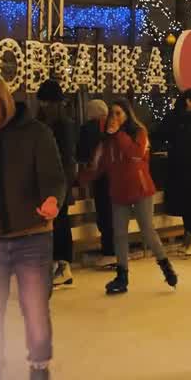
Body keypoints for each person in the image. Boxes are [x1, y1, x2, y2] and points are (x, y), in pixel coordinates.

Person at [0, 74, 67, 380]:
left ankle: (39, 371)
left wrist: (51, 199)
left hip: (31, 238)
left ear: (4, 100)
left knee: (35, 313)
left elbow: (55, 177)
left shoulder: (35, 133)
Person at [82, 99, 178, 295]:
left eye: (119, 113)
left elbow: (135, 155)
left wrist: (118, 134)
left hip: (140, 189)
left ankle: (165, 265)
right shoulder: (106, 141)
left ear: (127, 114)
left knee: (147, 230)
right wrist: (79, 178)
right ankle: (122, 275)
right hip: (119, 192)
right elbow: (98, 166)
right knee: (119, 234)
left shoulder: (138, 134)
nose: (115, 117)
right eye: (112, 113)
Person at [153, 89, 191, 257]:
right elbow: (159, 134)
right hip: (180, 168)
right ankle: (189, 237)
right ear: (189, 101)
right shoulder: (175, 118)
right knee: (186, 203)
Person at [35, 80, 78, 289]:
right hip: (50, 184)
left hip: (58, 185)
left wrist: (63, 186)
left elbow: (67, 159)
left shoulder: (62, 126)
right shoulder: (47, 124)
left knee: (59, 225)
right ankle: (57, 265)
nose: (42, 106)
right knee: (55, 225)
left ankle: (63, 266)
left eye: (44, 102)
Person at [77, 99, 115, 268]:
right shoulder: (113, 126)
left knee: (104, 213)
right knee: (113, 213)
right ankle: (115, 251)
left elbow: (81, 153)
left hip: (99, 176)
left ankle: (109, 253)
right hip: (114, 176)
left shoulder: (88, 128)